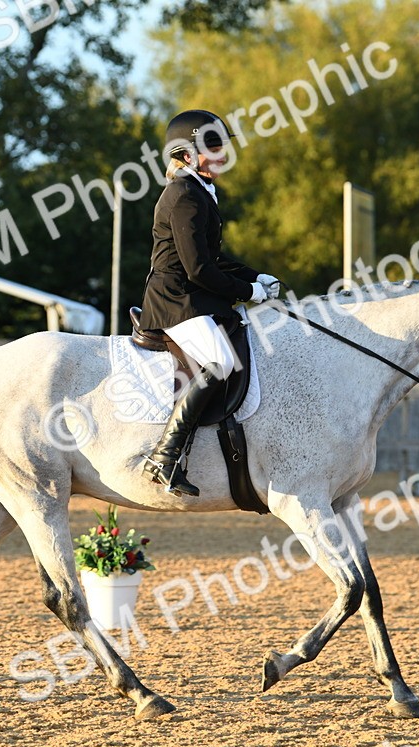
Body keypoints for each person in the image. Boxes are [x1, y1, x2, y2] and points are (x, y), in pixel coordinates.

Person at [137, 109, 281, 497]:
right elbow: (199, 269)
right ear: (185, 154)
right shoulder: (183, 194)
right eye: (211, 147)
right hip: (176, 299)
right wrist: (248, 293)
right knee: (219, 363)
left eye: (221, 146)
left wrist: (254, 276)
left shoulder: (200, 190)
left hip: (192, 294)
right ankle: (165, 457)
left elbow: (214, 258)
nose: (220, 155)